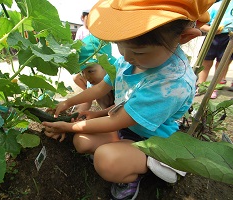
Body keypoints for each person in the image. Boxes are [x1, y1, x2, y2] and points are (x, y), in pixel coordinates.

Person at [43, 0, 214, 199]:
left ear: (183, 37)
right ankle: (121, 156)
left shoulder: (172, 83)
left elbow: (117, 120)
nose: (126, 56)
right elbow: (101, 88)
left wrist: (68, 127)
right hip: (127, 129)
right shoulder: (130, 58)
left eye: (138, 52)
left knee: (106, 160)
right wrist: (69, 103)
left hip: (153, 143)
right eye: (120, 47)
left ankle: (133, 176)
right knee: (82, 141)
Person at [197, 0, 233, 99]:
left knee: (222, 64)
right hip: (213, 37)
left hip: (229, 39)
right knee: (206, 63)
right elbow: (201, 24)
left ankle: (213, 88)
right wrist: (210, 29)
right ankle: (200, 86)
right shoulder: (215, 6)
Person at [74, 34, 116, 116]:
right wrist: (76, 114)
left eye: (90, 71)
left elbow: (122, 106)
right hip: (109, 115)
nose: (87, 77)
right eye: (83, 72)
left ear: (106, 64)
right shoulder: (93, 81)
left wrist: (98, 114)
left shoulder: (118, 77)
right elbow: (87, 102)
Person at [73, 10, 91, 93]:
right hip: (85, 58)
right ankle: (88, 93)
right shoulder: (81, 30)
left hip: (94, 58)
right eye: (87, 17)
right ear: (83, 18)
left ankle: (91, 93)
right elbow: (77, 44)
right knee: (77, 77)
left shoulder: (95, 29)